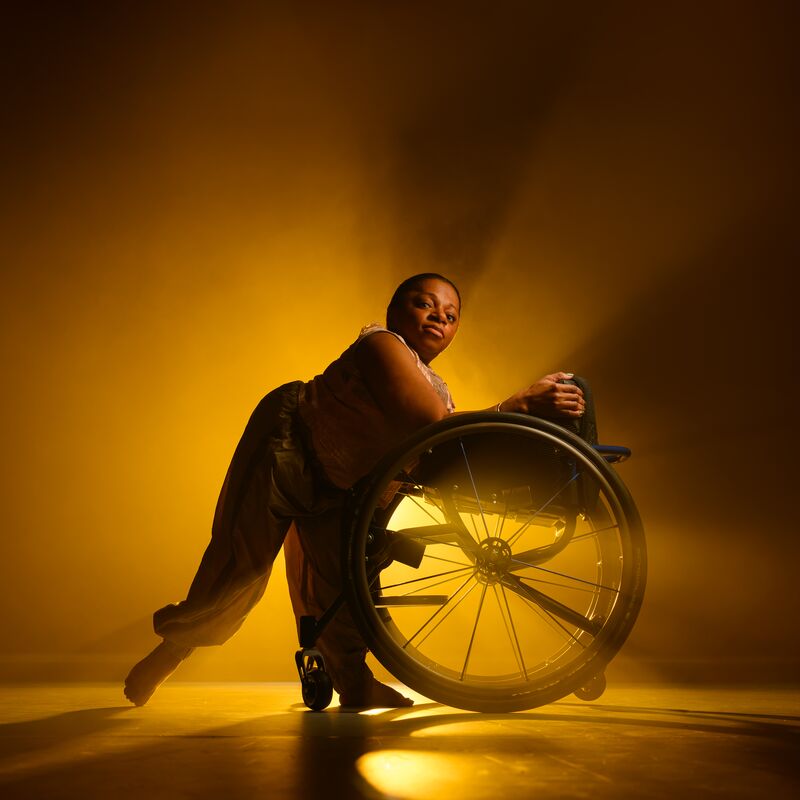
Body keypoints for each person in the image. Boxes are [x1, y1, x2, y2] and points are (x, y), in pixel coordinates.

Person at [123, 273, 586, 708]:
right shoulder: (382, 345)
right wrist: (517, 404)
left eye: (449, 315)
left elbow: (436, 448)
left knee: (338, 589)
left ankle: (354, 684)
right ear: (393, 311)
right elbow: (429, 426)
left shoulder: (440, 389)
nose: (437, 317)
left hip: (342, 485)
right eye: (423, 304)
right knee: (239, 569)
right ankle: (173, 649)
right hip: (289, 447)